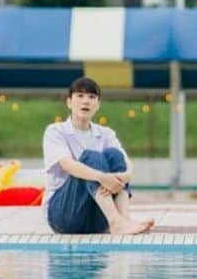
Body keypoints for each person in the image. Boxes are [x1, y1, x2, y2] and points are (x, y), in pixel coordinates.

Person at [42, 76, 155, 235]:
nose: (86, 101)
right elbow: (67, 164)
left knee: (114, 155)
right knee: (92, 157)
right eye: (80, 96)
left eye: (91, 97)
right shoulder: (56, 131)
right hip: (64, 215)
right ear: (69, 102)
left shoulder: (105, 133)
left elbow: (124, 159)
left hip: (97, 219)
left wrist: (127, 175)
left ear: (98, 104)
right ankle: (116, 222)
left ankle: (123, 219)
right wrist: (102, 177)